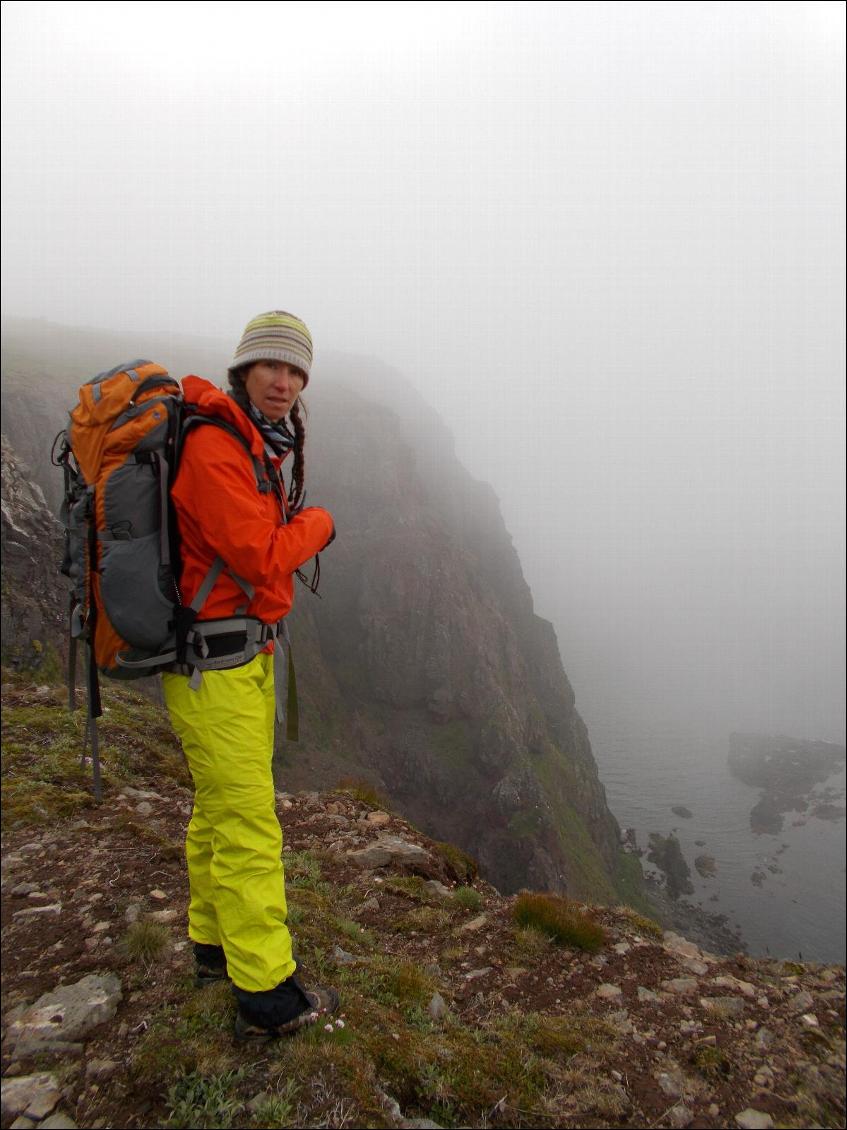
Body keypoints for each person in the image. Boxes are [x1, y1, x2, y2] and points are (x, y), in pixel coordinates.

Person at [161, 310, 339, 1040]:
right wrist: (320, 524)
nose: (285, 381)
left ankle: (211, 948)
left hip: (239, 659)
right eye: (272, 366)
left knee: (218, 812)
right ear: (243, 369)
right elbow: (262, 557)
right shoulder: (214, 448)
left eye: (296, 372)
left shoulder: (246, 442)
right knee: (248, 826)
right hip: (215, 669)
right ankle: (265, 993)